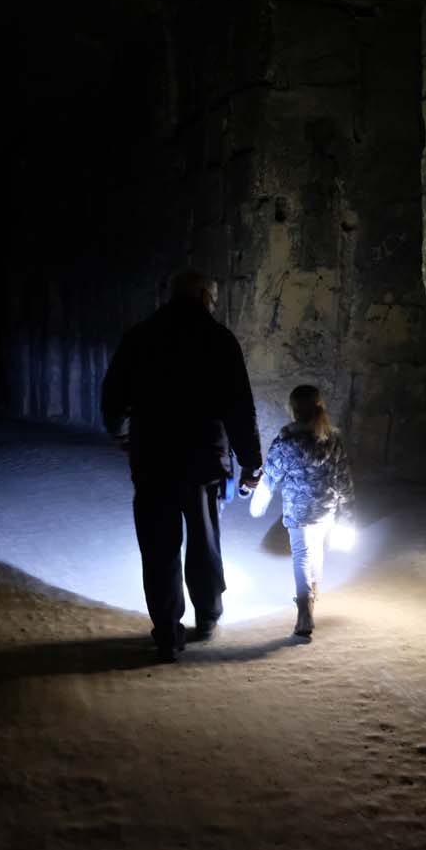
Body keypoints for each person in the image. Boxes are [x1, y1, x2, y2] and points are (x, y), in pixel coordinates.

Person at [101, 270, 263, 662]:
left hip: (153, 457)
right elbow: (239, 406)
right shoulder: (219, 340)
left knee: (158, 547)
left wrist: (123, 434)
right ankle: (207, 616)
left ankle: (168, 633)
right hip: (203, 459)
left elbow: (113, 394)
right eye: (213, 298)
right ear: (206, 296)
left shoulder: (140, 337)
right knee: (204, 542)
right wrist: (251, 462)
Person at [253, 385, 356, 638]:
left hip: (297, 510)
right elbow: (343, 477)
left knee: (301, 555)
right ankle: (313, 597)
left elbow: (271, 476)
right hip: (325, 508)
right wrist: (348, 509)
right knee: (317, 550)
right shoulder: (331, 439)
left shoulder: (286, 440)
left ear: (293, 410)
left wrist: (258, 504)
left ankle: (304, 610)